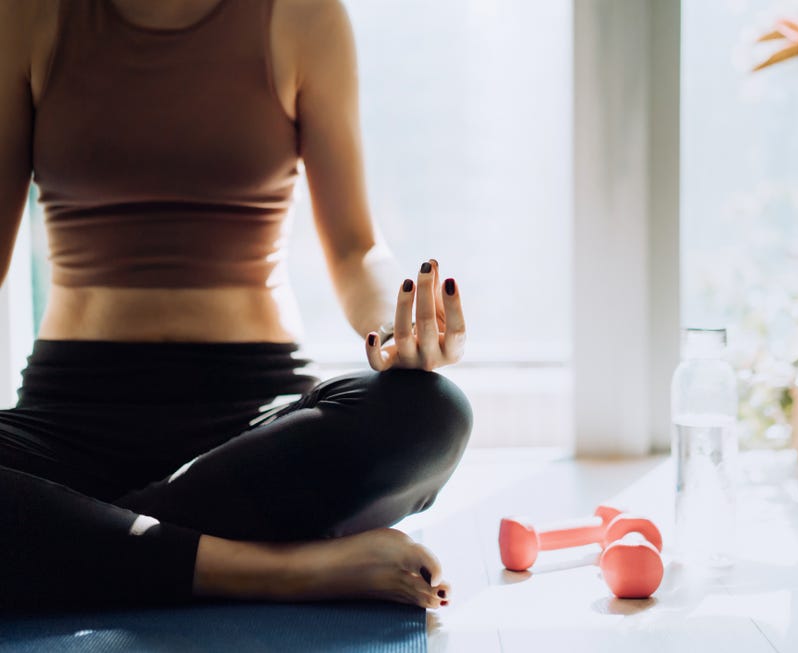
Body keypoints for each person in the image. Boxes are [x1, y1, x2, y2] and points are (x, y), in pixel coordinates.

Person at [0, 0, 472, 610]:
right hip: (67, 419)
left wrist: (397, 325)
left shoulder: (304, 17)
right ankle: (275, 570)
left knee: (431, 417)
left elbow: (357, 248)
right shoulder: (26, 15)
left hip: (247, 422)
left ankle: (74, 534)